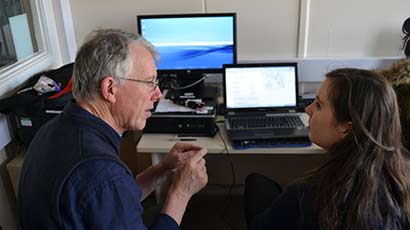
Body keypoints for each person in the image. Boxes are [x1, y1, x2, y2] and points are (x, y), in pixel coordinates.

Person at [18, 29, 208, 229]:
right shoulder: (102, 173)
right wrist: (181, 192)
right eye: (150, 83)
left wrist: (163, 167)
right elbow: (108, 188)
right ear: (110, 89)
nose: (158, 94)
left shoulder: (54, 128)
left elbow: (113, 200)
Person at [244, 68, 410, 229]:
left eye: (318, 105)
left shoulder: (306, 197)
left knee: (256, 183)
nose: (308, 110)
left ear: (346, 127)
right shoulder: (399, 184)